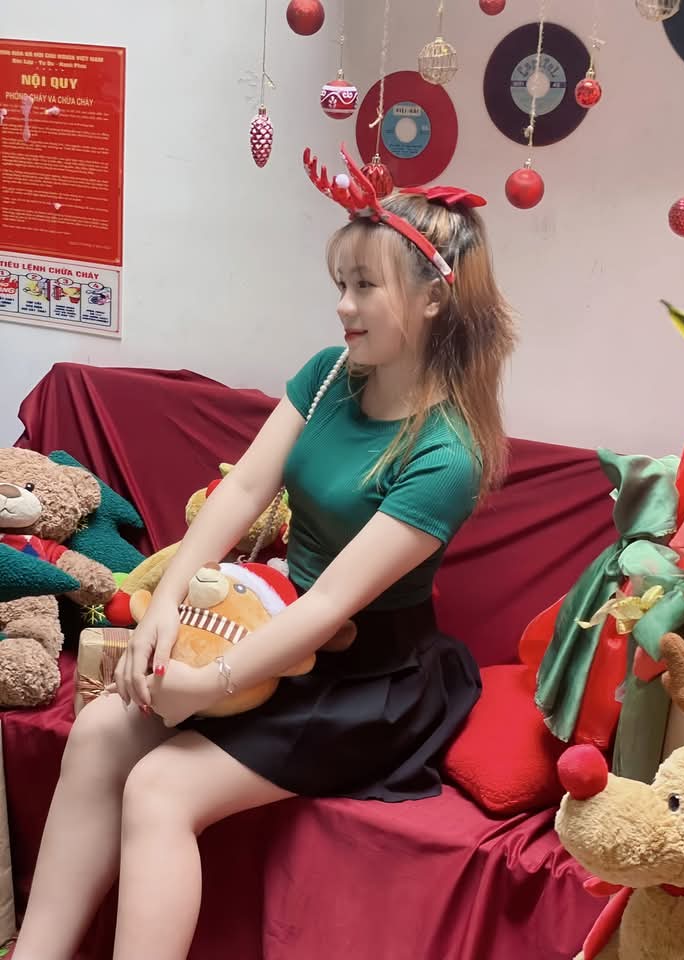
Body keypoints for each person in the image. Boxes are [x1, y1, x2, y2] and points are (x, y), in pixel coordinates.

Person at [12, 145, 516, 960]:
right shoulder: (327, 374)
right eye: (339, 283)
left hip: (363, 681)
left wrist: (208, 682)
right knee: (100, 729)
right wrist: (165, 605)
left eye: (365, 286)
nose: (343, 306)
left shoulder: (447, 454)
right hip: (265, 627)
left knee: (161, 789)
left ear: (432, 298)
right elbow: (244, 490)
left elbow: (330, 605)